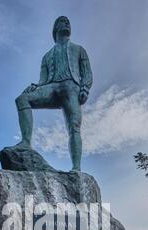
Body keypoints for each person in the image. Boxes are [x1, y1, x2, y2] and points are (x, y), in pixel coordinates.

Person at [11, 16, 93, 172]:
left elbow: (87, 73)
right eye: (63, 21)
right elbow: (43, 80)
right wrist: (35, 86)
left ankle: (76, 168)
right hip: (51, 87)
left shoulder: (79, 49)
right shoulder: (47, 56)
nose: (67, 23)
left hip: (71, 87)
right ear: (55, 29)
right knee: (22, 99)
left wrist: (85, 87)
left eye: (68, 22)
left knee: (74, 127)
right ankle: (26, 142)